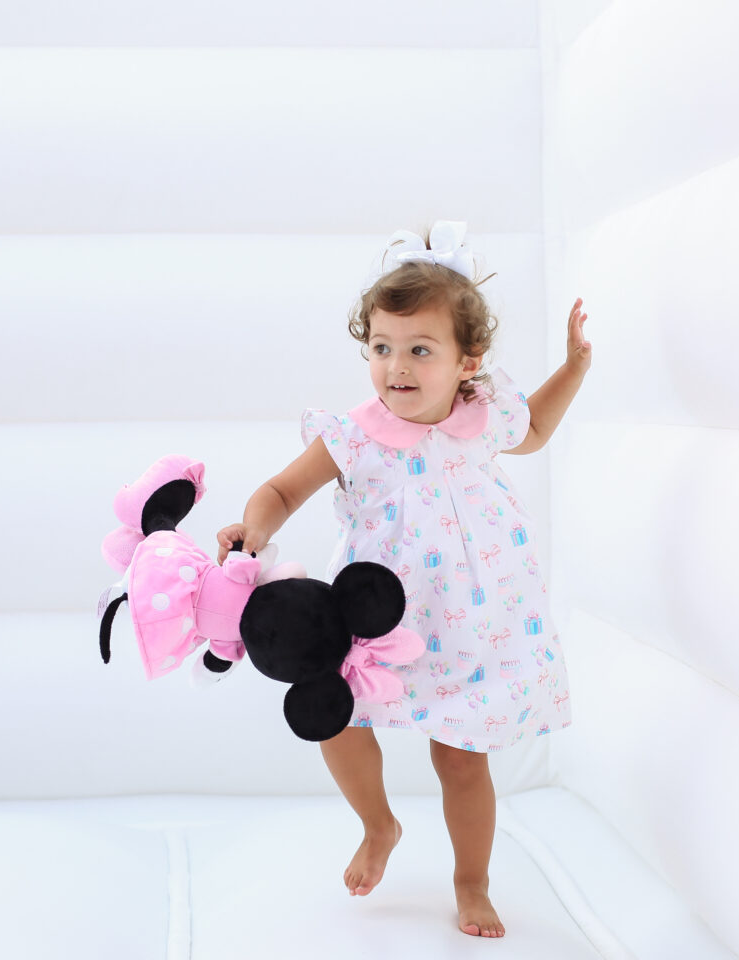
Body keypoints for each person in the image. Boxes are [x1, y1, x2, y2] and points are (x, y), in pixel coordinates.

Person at [216, 220, 592, 938]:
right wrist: (253, 528)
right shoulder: (356, 433)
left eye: (421, 350)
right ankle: (378, 823)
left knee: (460, 758)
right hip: (374, 619)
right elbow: (282, 492)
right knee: (337, 718)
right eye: (383, 348)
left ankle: (471, 881)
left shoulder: (482, 417)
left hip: (471, 619)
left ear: (467, 362)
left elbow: (536, 429)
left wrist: (574, 366)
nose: (398, 367)